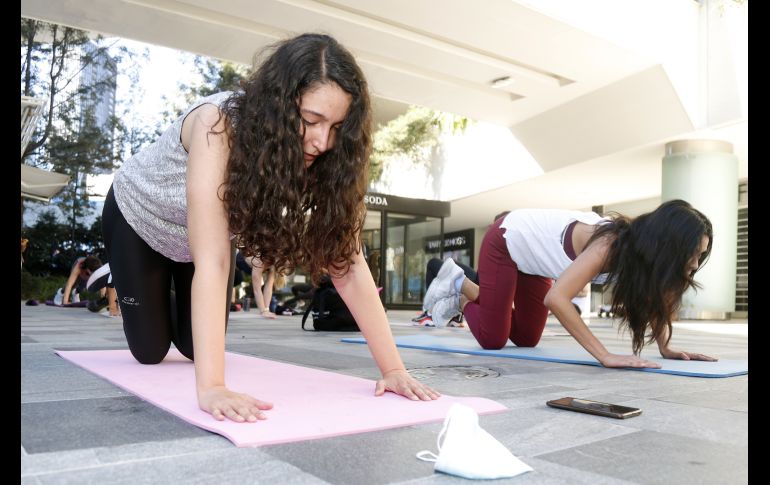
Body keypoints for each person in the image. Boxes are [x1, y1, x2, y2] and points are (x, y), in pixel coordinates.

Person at [101, 33, 439, 423]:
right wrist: (211, 387)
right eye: (310, 121)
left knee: (197, 348)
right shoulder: (218, 124)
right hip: (139, 220)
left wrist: (393, 369)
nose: (322, 140)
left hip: (198, 242)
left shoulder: (326, 154)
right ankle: (141, 286)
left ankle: (170, 296)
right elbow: (212, 260)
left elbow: (349, 266)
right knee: (150, 351)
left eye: (336, 127)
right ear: (277, 106)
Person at [426, 200, 717, 369]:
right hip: (507, 240)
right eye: (691, 254)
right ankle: (457, 285)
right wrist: (605, 356)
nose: (694, 263)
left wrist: (665, 347)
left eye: (700, 255)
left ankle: (480, 297)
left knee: (527, 338)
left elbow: (655, 302)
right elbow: (557, 299)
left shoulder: (644, 260)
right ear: (668, 245)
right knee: (493, 339)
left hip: (537, 263)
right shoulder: (609, 245)